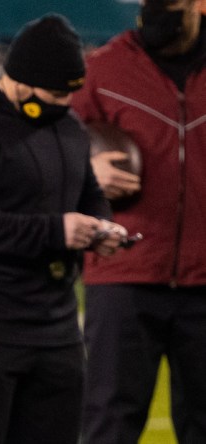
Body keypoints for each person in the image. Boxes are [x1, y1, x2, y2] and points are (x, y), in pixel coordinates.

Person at [0, 14, 129, 444]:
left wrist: (102, 227)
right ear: (20, 81)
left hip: (57, 327)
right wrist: (55, 232)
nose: (65, 102)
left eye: (71, 93)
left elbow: (88, 191)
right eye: (56, 92)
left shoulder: (68, 127)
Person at [70, 0, 206, 442]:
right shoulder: (103, 70)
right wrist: (86, 172)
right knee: (109, 423)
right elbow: (50, 152)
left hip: (204, 279)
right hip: (123, 274)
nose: (158, 12)